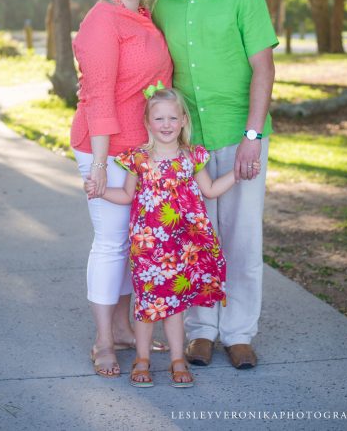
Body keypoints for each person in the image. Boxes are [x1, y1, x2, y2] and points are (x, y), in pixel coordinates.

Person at [152, 0, 278, 370]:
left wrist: (252, 135)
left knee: (241, 240)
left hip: (238, 134)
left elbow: (264, 69)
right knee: (197, 240)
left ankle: (239, 333)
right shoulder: (163, 5)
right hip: (189, 146)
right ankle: (203, 331)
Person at [70, 0, 173, 378]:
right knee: (111, 243)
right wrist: (97, 164)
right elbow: (97, 95)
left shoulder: (144, 18)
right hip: (105, 148)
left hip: (140, 149)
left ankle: (127, 328)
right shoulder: (102, 20)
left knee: (134, 244)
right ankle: (103, 341)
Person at [87, 86, 237, 387]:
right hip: (149, 247)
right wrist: (101, 191)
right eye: (159, 118)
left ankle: (177, 359)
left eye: (172, 117)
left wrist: (239, 174)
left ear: (183, 120)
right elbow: (128, 195)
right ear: (148, 122)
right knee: (147, 304)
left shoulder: (192, 156)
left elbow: (209, 190)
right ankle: (142, 359)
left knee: (176, 304)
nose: (166, 124)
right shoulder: (138, 158)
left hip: (183, 246)